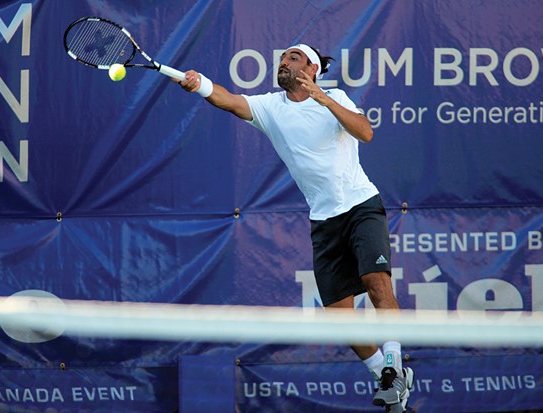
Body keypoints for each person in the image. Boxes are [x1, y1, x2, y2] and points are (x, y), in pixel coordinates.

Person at [176, 44, 413, 410]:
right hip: (323, 219)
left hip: (361, 205)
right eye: (282, 59)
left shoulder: (335, 96)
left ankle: (395, 369)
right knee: (339, 316)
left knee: (376, 282)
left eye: (293, 58)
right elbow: (229, 100)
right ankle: (383, 376)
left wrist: (325, 100)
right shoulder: (271, 108)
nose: (283, 63)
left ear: (313, 68)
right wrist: (200, 84)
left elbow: (365, 132)